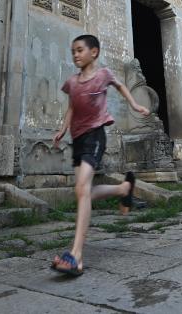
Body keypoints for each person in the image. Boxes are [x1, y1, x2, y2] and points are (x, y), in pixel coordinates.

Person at [50, 34, 150, 276]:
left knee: (82, 189)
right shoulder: (72, 82)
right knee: (83, 191)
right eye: (73, 51)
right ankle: (124, 190)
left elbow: (120, 85)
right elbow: (72, 107)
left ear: (94, 52)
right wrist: (63, 129)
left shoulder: (103, 74)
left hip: (96, 135)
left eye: (80, 50)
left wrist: (135, 105)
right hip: (78, 138)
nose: (75, 54)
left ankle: (76, 255)